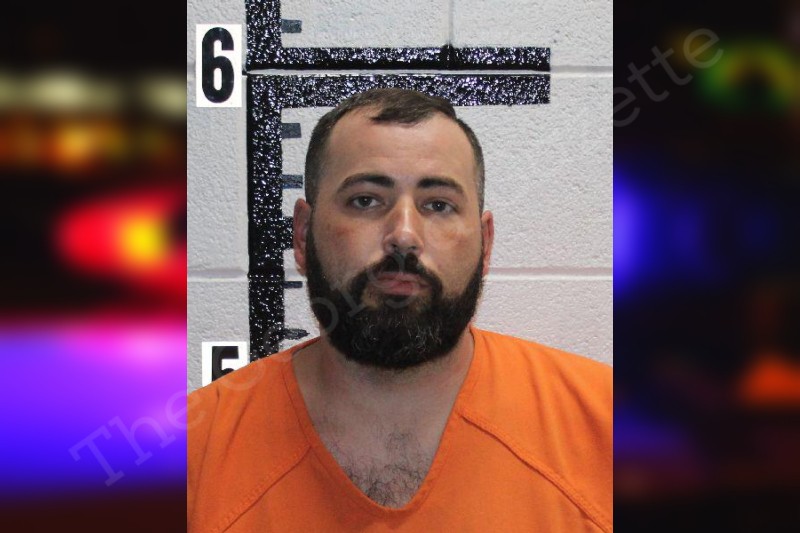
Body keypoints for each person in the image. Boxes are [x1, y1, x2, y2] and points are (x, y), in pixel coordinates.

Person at [187, 88, 612, 532]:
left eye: (438, 205)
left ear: (485, 243)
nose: (405, 235)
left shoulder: (611, 429)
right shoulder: (192, 455)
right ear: (302, 236)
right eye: (366, 200)